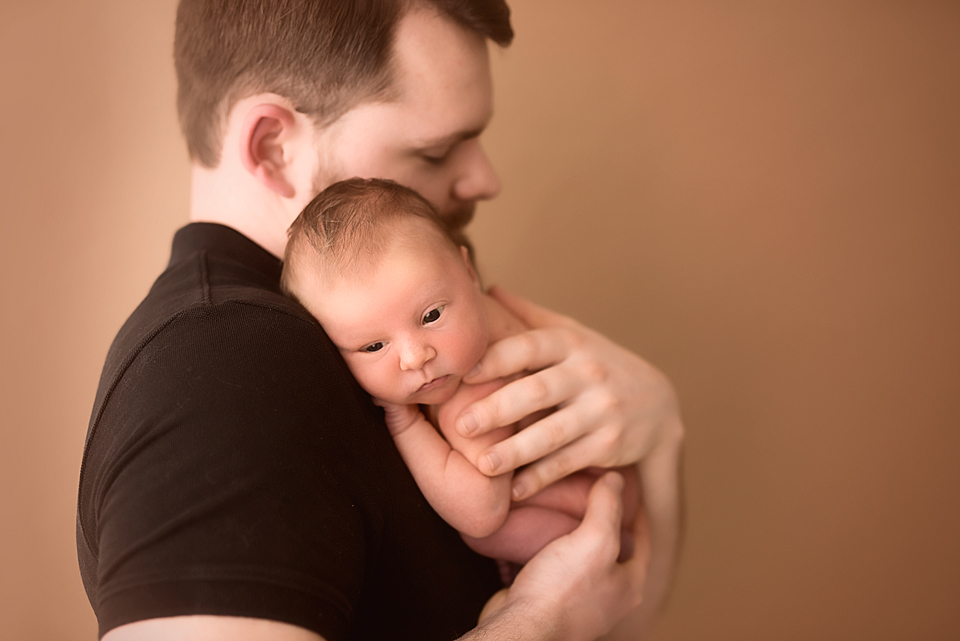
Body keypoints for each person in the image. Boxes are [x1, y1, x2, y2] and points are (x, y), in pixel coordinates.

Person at [76, 1, 685, 640]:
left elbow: (626, 606)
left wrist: (661, 429)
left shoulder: (327, 345)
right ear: (273, 146)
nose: (485, 178)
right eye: (437, 150)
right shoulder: (221, 371)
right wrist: (542, 622)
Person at [281, 178, 641, 572]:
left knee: (486, 534)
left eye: (431, 316)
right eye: (373, 347)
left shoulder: (476, 392)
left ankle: (594, 547)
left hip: (598, 492)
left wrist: (404, 424)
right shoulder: (476, 315)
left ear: (469, 272)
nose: (416, 357)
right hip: (615, 472)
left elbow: (480, 512)